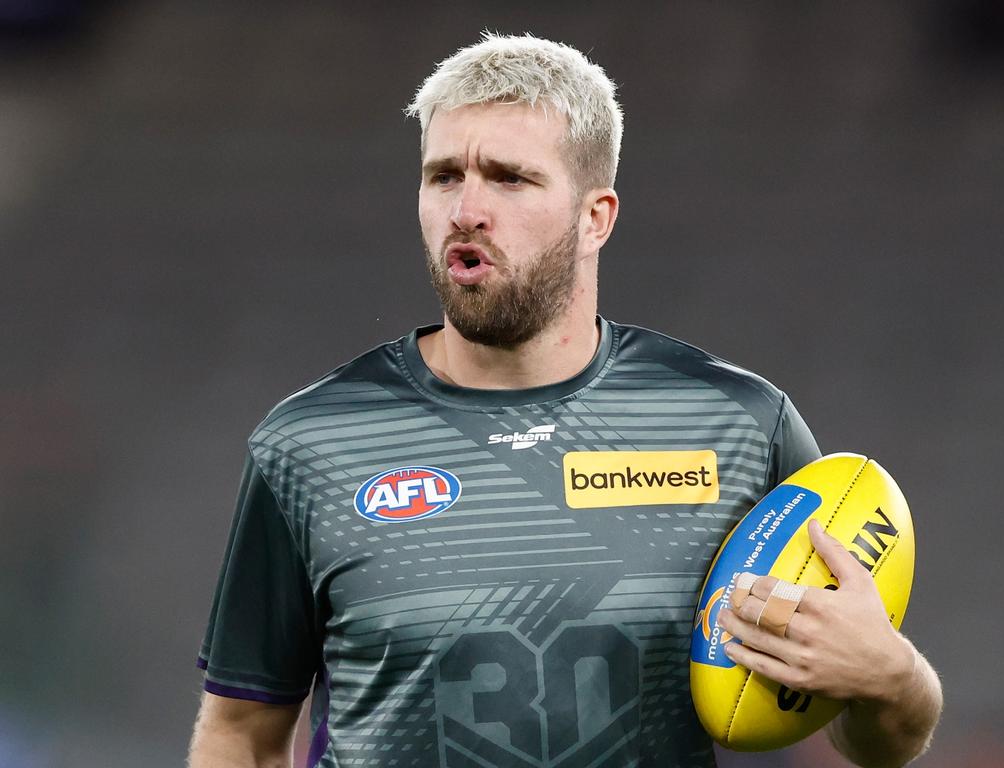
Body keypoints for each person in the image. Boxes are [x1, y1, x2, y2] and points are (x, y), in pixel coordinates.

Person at [189, 33, 942, 768]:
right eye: (444, 175)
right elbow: (242, 735)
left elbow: (872, 741)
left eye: (510, 178)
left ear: (596, 217)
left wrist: (896, 682)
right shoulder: (311, 443)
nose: (466, 209)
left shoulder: (739, 426)